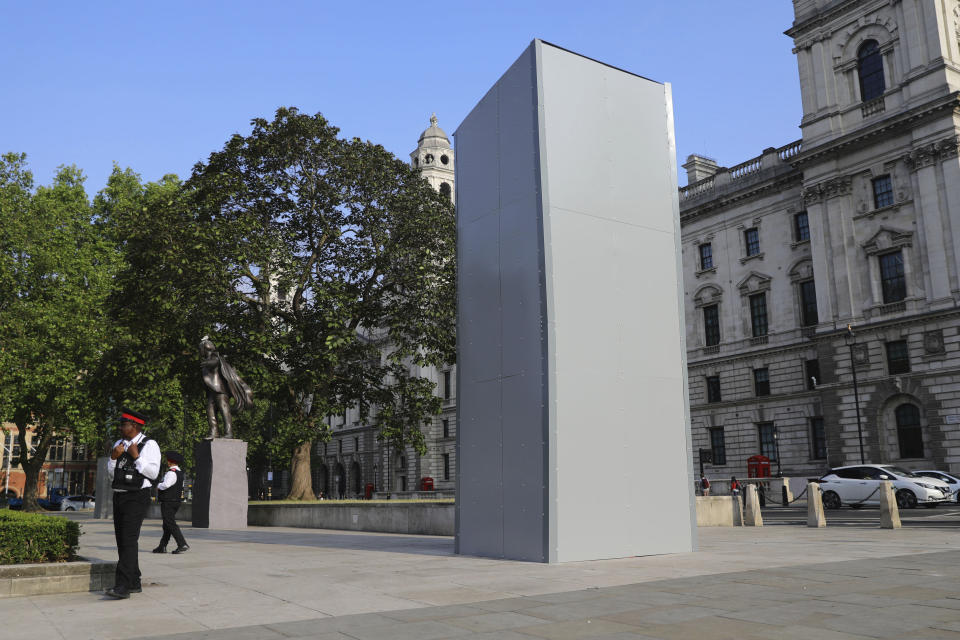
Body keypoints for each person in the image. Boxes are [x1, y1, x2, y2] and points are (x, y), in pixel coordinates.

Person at [106, 408, 161, 599]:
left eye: (124, 424)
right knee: (122, 540)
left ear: (135, 426)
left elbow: (153, 474)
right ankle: (134, 581)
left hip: (137, 496)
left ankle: (123, 586)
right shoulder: (118, 444)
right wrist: (114, 458)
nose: (121, 427)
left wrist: (136, 456)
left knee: (129, 539)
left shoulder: (149, 444)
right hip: (119, 494)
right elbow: (112, 474)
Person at [153, 451, 189, 555]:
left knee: (170, 523)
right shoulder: (180, 473)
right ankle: (162, 546)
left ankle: (182, 544)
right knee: (167, 525)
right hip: (175, 501)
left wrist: (158, 485)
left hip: (168, 502)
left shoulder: (171, 473)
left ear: (170, 462)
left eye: (167, 460)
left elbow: (166, 485)